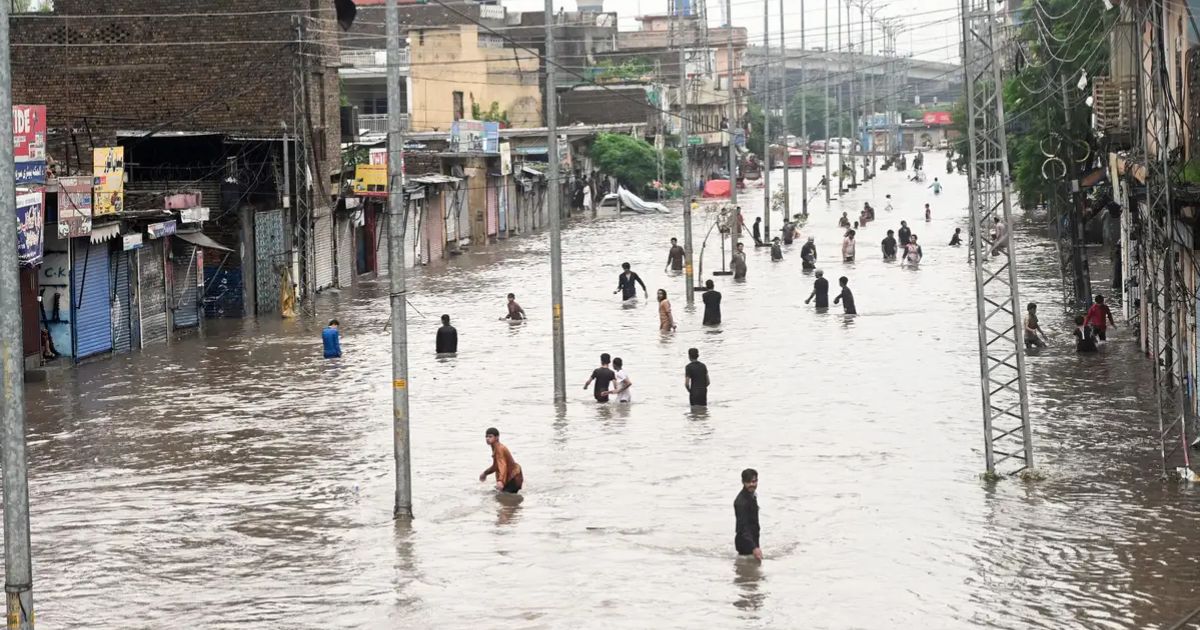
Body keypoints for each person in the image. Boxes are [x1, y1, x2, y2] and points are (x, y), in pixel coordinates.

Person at [479, 427, 523, 493]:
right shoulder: (495, 447)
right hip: (512, 476)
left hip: (513, 477)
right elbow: (496, 466)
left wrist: (500, 481)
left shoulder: (499, 449)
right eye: (486, 436)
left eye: (490, 436)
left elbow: (503, 466)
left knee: (503, 496)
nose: (487, 438)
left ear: (497, 437)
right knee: (498, 495)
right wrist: (485, 473)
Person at [734, 468, 762, 560]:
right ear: (743, 482)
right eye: (748, 482)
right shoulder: (741, 502)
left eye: (753, 481)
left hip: (752, 541)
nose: (751, 484)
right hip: (745, 543)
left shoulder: (751, 495)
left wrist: (755, 546)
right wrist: (754, 547)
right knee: (749, 567)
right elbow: (743, 528)